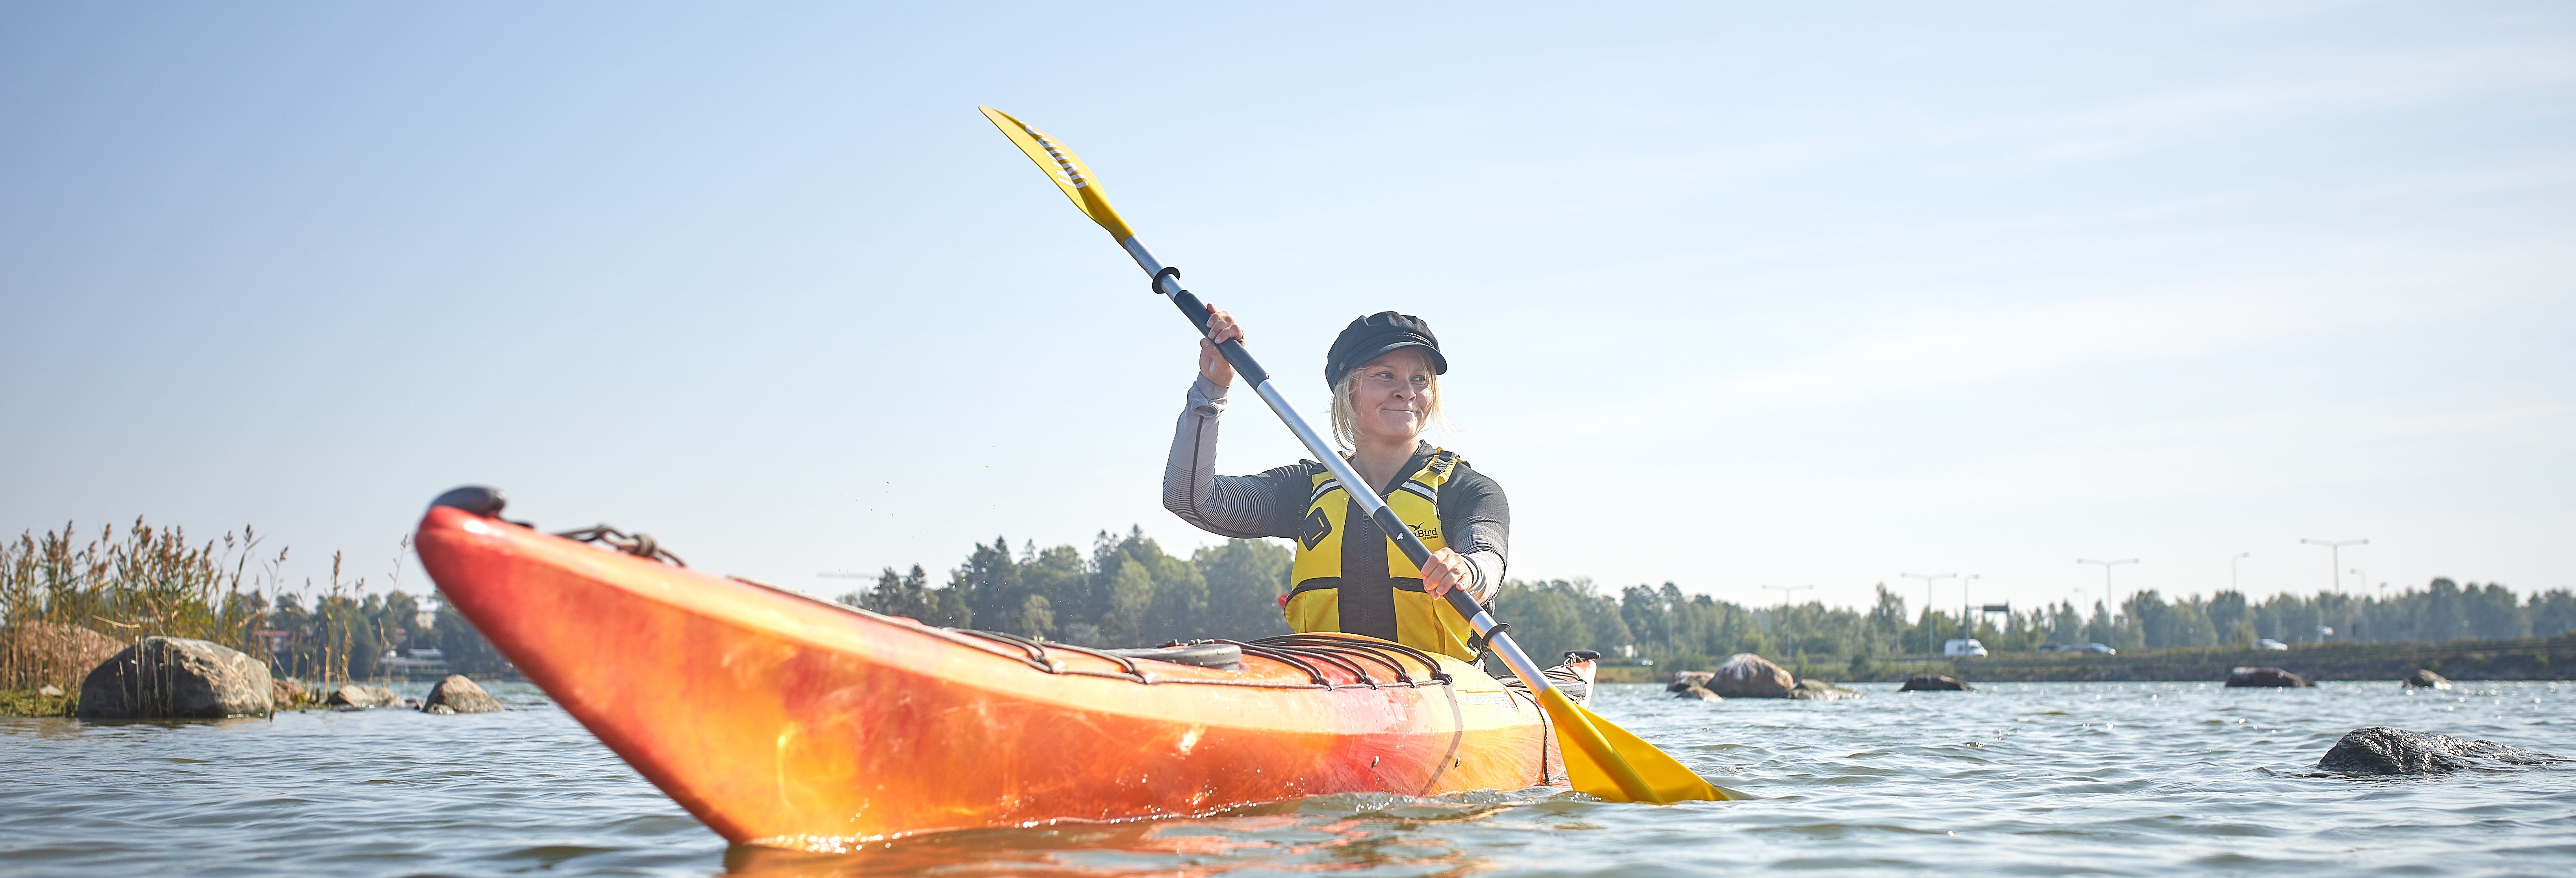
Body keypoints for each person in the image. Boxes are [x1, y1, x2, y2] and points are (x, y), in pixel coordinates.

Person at [1163, 308, 1508, 663]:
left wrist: (1466, 570)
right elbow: (1191, 498)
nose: (1406, 392)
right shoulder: (1305, 490)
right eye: (1386, 376)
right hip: (1333, 695)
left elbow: (1488, 559)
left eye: (1420, 379)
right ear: (1348, 390)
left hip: (1440, 698)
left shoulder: (1467, 490)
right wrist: (1212, 386)